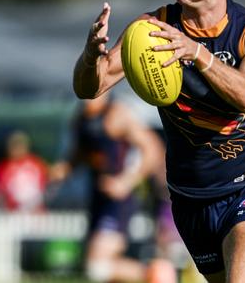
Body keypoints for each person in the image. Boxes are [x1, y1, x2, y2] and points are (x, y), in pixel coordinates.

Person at [72, 0, 245, 283]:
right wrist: (91, 55)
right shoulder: (152, 29)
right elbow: (90, 88)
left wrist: (197, 54)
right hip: (190, 199)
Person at [50, 93, 173, 283]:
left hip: (119, 201)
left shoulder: (116, 115)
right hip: (97, 198)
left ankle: (155, 273)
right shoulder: (81, 118)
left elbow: (152, 148)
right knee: (103, 268)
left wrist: (126, 181)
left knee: (97, 266)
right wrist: (65, 169)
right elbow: (80, 154)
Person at [0, 130, 48, 212]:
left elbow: (44, 186)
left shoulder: (37, 164)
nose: (17, 149)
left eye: (20, 145)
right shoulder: (2, 168)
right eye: (14, 146)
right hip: (13, 213)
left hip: (35, 212)